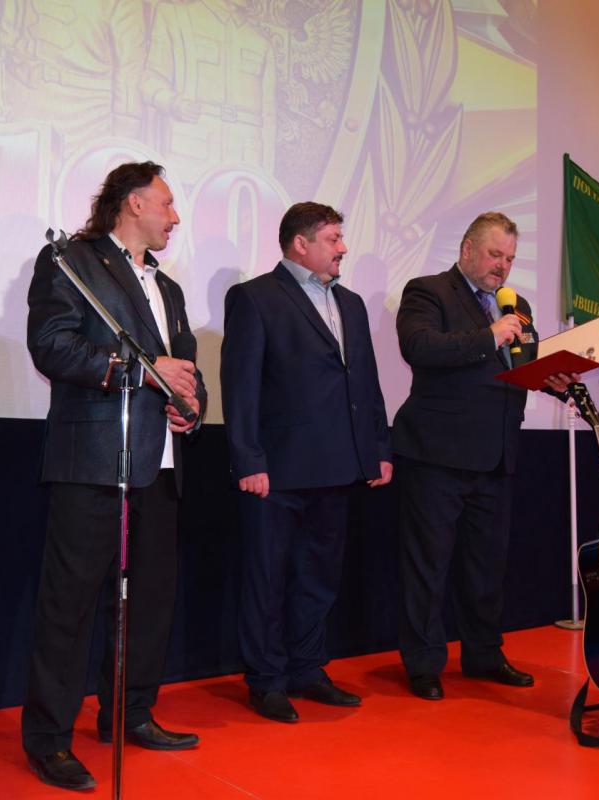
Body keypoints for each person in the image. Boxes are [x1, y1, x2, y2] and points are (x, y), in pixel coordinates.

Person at [22, 161, 207, 791]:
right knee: (69, 607)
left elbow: (186, 369)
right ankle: (49, 739)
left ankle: (130, 714)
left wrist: (192, 407)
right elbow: (51, 344)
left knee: (149, 602)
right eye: (167, 203)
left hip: (159, 464)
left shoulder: (168, 288)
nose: (175, 217)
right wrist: (141, 370)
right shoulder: (72, 261)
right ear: (133, 203)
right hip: (94, 461)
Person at [221, 202, 393, 723]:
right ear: (301, 243)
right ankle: (266, 681)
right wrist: (248, 459)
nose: (343, 248)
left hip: (339, 466)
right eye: (334, 238)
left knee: (318, 577)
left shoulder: (352, 304)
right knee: (267, 580)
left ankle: (308, 669)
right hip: (276, 471)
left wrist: (378, 449)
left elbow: (365, 381)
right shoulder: (255, 297)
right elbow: (240, 386)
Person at [392, 211, 574, 701]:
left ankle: (484, 655)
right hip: (436, 456)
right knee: (427, 567)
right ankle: (424, 665)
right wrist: (491, 335)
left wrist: (554, 378)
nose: (503, 266)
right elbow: (420, 347)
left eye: (510, 258)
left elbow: (522, 365)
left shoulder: (518, 306)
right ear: (467, 249)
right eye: (495, 255)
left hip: (496, 456)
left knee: (486, 567)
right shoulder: (428, 291)